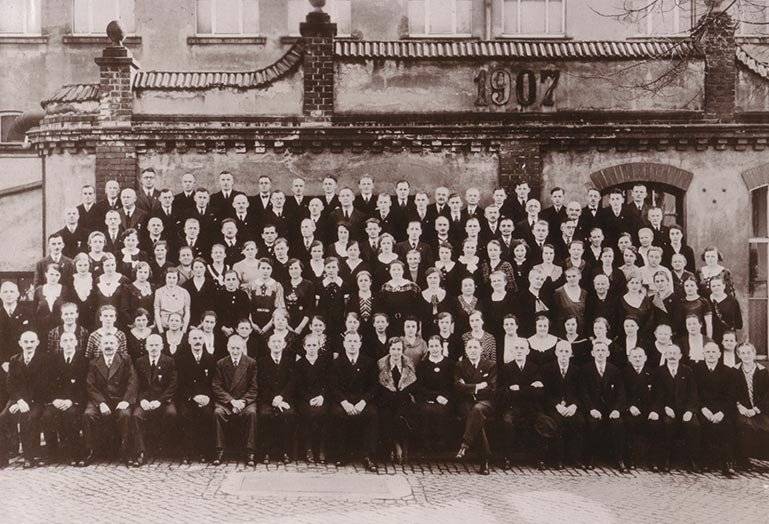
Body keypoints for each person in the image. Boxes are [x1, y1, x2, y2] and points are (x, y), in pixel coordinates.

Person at [83, 333, 138, 466]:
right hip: (100, 399)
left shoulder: (125, 359)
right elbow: (90, 385)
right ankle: (91, 451)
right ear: (101, 346)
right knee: (88, 414)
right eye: (106, 343)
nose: (108, 346)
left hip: (120, 399)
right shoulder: (94, 362)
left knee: (125, 415)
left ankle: (125, 452)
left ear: (117, 345)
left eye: (111, 343)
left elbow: (133, 381)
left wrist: (126, 401)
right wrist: (101, 403)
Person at [329, 331, 379, 472]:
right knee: (338, 414)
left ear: (360, 344)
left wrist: (363, 402)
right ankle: (341, 454)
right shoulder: (336, 363)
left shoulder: (369, 362)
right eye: (349, 341)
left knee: (372, 414)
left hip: (362, 401)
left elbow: (374, 386)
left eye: (355, 341)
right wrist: (345, 403)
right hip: (343, 401)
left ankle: (368, 456)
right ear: (344, 344)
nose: (352, 344)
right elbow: (333, 387)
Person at [650, 344, 700, 472]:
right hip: (667, 409)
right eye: (669, 353)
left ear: (680, 356)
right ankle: (666, 459)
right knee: (667, 424)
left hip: (685, 410)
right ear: (665, 355)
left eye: (675, 353)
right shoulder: (659, 372)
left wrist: (689, 411)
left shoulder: (687, 371)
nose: (672, 356)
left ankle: (693, 460)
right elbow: (655, 395)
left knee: (693, 425)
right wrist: (664, 408)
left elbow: (693, 394)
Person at [0, 331, 48, 468]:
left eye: (32, 342)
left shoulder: (44, 360)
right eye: (26, 342)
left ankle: (29, 457)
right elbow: (10, 384)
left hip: (36, 401)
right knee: (2, 418)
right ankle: (2, 458)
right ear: (20, 343)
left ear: (37, 343)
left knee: (28, 418)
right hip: (17, 400)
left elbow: (42, 385)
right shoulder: (14, 359)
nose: (29, 345)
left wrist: (24, 401)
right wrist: (19, 401)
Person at [498, 336, 546, 469]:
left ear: (528, 351)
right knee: (507, 422)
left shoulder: (534, 368)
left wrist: (518, 388)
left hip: (531, 407)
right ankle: (507, 458)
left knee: (540, 420)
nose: (519, 351)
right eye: (516, 348)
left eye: (522, 348)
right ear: (512, 351)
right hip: (512, 407)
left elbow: (539, 392)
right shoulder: (506, 368)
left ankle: (540, 459)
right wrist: (529, 388)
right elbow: (502, 392)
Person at [41, 331, 89, 466]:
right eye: (65, 341)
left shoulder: (84, 360)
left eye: (71, 340)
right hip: (56, 401)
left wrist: (71, 401)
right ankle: (52, 454)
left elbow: (84, 386)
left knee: (71, 415)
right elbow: (47, 384)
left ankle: (75, 454)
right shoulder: (52, 360)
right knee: (47, 416)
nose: (68, 344)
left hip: (75, 401)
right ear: (61, 344)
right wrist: (54, 400)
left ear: (76, 342)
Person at [211, 335, 259, 467]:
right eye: (232, 348)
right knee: (218, 413)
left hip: (245, 402)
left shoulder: (251, 363)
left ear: (243, 348)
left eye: (238, 348)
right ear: (228, 348)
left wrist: (242, 402)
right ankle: (219, 451)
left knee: (251, 413)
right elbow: (216, 386)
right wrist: (231, 401)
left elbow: (254, 387)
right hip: (227, 402)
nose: (235, 351)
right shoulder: (221, 363)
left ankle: (250, 452)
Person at [132, 334, 178, 466]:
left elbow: (173, 385)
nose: (154, 348)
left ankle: (163, 447)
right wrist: (142, 400)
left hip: (163, 400)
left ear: (162, 346)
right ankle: (141, 452)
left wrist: (160, 401)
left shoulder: (169, 361)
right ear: (146, 347)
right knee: (136, 416)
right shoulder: (140, 362)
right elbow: (136, 384)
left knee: (171, 413)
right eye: (151, 345)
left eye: (156, 345)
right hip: (145, 401)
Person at [580, 340, 627, 472]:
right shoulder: (586, 369)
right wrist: (591, 409)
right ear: (592, 353)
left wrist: (616, 409)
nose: (600, 353)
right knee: (592, 424)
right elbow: (583, 393)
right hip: (593, 408)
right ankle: (590, 458)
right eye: (598, 351)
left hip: (611, 409)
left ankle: (619, 459)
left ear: (608, 353)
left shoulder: (614, 370)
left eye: (603, 351)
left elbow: (621, 393)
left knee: (618, 424)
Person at [454, 338, 496, 475]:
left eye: (475, 347)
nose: (472, 350)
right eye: (470, 347)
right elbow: (458, 387)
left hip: (485, 402)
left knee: (477, 410)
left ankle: (465, 444)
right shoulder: (460, 365)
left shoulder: (490, 365)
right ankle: (485, 460)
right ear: (466, 350)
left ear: (481, 349)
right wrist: (478, 386)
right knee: (476, 418)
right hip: (466, 402)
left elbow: (491, 388)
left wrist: (467, 386)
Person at [175, 328, 217, 464]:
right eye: (194, 338)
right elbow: (180, 384)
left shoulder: (211, 359)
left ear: (204, 340)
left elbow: (214, 382)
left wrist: (207, 397)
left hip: (206, 398)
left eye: (200, 338)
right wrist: (193, 397)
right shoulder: (181, 360)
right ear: (189, 341)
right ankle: (186, 453)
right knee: (185, 415)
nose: (197, 341)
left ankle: (203, 452)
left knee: (207, 415)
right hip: (188, 398)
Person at [694, 341, 736, 477]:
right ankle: (705, 461)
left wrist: (722, 412)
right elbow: (694, 393)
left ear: (719, 354)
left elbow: (731, 396)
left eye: (713, 352)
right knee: (702, 425)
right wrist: (703, 409)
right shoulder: (696, 370)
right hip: (703, 408)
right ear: (703, 354)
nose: (711, 355)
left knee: (727, 426)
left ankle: (727, 462)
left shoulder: (728, 371)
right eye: (708, 352)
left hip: (722, 410)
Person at [540, 340, 584, 468]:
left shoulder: (577, 370)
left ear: (571, 353)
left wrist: (574, 405)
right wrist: (557, 405)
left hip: (571, 407)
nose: (563, 354)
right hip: (554, 407)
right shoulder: (547, 369)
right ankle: (558, 459)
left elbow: (581, 392)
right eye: (561, 351)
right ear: (556, 352)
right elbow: (545, 393)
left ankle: (574, 458)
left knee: (579, 421)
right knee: (557, 422)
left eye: (566, 351)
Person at [377, 337, 417, 464]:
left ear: (402, 350)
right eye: (393, 349)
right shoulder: (381, 364)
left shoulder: (408, 363)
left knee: (402, 416)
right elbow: (379, 387)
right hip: (386, 400)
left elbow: (413, 385)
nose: (396, 352)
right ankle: (392, 446)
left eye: (399, 349)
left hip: (403, 400)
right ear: (389, 350)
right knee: (386, 415)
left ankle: (401, 444)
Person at [257, 334, 296, 464]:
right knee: (265, 415)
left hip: (285, 399)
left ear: (284, 345)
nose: (276, 344)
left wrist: (281, 397)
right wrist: (272, 399)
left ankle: (285, 451)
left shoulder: (290, 361)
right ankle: (266, 452)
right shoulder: (261, 361)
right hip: (267, 400)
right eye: (273, 341)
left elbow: (292, 383)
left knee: (288, 415)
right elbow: (260, 384)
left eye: (279, 342)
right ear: (269, 344)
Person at [295, 334, 331, 464]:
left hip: (322, 398)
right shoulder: (299, 364)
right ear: (304, 347)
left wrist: (322, 396)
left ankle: (321, 449)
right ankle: (308, 448)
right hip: (304, 399)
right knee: (309, 413)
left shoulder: (325, 363)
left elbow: (329, 383)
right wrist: (308, 399)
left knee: (323, 413)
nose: (311, 348)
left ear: (319, 346)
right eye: (309, 345)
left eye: (314, 345)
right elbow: (297, 386)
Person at [415, 336, 455, 452]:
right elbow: (419, 387)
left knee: (441, 411)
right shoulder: (423, 365)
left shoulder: (450, 364)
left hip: (445, 399)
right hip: (427, 398)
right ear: (428, 348)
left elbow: (453, 386)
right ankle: (426, 445)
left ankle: (441, 444)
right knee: (426, 410)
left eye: (437, 346)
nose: (434, 349)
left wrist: (445, 398)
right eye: (431, 346)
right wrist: (434, 397)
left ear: (442, 347)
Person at [733, 342, 769, 469]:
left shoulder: (763, 372)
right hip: (741, 409)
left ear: (754, 353)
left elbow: (767, 395)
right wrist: (739, 406)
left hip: (760, 409)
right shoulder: (734, 371)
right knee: (743, 426)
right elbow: (731, 393)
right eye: (743, 353)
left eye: (749, 352)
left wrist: (756, 409)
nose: (746, 355)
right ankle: (743, 459)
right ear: (738, 355)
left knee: (765, 427)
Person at [623, 347, 655, 470]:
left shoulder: (652, 373)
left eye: (640, 356)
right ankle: (631, 459)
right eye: (634, 357)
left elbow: (658, 395)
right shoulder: (624, 373)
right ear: (629, 359)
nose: (637, 359)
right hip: (631, 409)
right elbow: (621, 394)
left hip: (648, 409)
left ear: (645, 358)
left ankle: (652, 460)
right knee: (630, 424)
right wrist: (629, 406)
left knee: (655, 424)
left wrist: (654, 410)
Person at [377, 260, 420, 336]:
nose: (396, 272)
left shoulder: (412, 286)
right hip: (391, 324)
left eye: (399, 269)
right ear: (390, 271)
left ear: (403, 271)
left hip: (408, 324)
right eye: (393, 269)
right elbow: (381, 307)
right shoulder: (385, 287)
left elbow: (419, 306)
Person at [154, 267, 191, 334]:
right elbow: (157, 311)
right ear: (165, 278)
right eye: (169, 277)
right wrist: (161, 330)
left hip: (180, 328)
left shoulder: (184, 292)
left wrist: (184, 330)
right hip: (164, 326)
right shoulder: (159, 292)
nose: (171, 280)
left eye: (174, 278)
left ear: (177, 279)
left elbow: (187, 311)